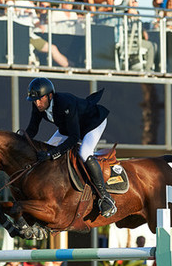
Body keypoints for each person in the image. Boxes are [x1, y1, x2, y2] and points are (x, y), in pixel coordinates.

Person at [24, 77, 117, 217]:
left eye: (40, 99)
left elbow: (74, 138)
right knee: (46, 148)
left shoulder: (64, 103)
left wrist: (52, 154)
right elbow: (32, 129)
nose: (37, 103)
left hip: (93, 123)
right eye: (34, 100)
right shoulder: (38, 105)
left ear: (50, 95)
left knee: (84, 153)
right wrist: (20, 139)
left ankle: (105, 197)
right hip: (69, 127)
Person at [18, 0, 69, 67]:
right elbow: (13, 8)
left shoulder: (31, 5)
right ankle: (71, 67)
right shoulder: (22, 2)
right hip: (26, 36)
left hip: (30, 35)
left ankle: (72, 65)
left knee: (55, 48)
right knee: (53, 48)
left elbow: (37, 23)